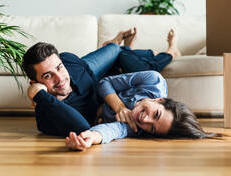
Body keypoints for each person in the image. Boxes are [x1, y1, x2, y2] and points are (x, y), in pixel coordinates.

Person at [22, 28, 181, 137]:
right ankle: (169, 52)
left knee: (116, 51)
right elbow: (82, 128)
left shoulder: (69, 64)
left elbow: (67, 68)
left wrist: (119, 106)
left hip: (88, 70)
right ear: (36, 83)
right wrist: (39, 95)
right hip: (106, 79)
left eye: (58, 67)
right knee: (137, 63)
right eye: (48, 76)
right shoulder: (48, 115)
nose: (60, 78)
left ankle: (118, 44)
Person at [65, 70, 219, 151]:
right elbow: (104, 82)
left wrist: (91, 137)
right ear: (160, 100)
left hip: (90, 103)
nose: (145, 120)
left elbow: (113, 130)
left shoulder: (136, 127)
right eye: (156, 114)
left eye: (152, 128)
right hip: (103, 78)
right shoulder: (153, 81)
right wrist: (120, 107)